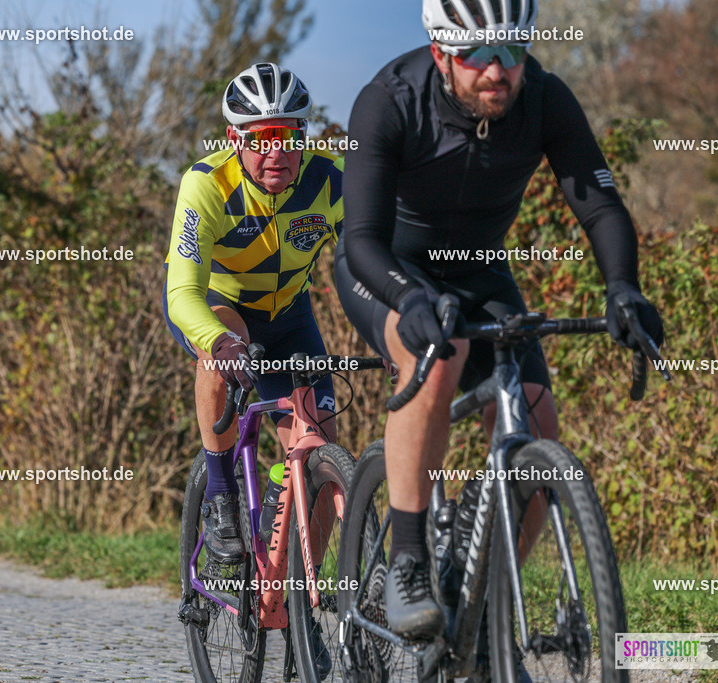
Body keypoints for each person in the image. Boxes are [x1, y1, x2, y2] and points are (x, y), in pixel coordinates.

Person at [335, 0, 664, 649]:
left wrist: (623, 287)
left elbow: (600, 207)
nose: (498, 70)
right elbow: (362, 238)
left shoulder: (543, 97)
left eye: (511, 51)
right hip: (387, 266)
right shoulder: (389, 100)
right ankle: (408, 560)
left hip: (480, 271)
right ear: (440, 54)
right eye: (478, 54)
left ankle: (484, 601)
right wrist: (410, 300)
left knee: (539, 425)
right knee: (435, 359)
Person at [164, 63, 344, 567]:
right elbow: (182, 293)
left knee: (318, 447)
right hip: (216, 305)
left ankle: (297, 599)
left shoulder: (328, 180)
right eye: (261, 138)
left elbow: (369, 262)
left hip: (288, 314)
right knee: (227, 342)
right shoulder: (207, 185)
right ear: (233, 137)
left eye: (288, 136)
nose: (276, 153)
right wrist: (218, 342)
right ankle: (220, 493)